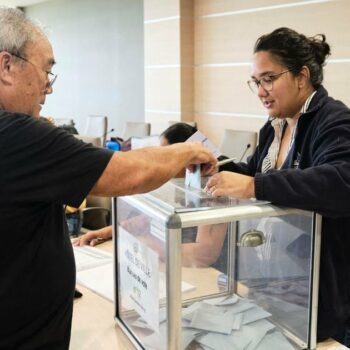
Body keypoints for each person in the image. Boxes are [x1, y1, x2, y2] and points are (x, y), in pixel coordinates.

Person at [0, 8, 216, 350]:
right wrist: (189, 152)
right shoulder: (14, 134)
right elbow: (129, 173)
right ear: (7, 66)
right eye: (47, 71)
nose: (48, 88)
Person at [204, 27, 350, 345]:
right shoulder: (276, 125)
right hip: (272, 285)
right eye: (256, 82)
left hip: (318, 296)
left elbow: (341, 182)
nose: (260, 91)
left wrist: (253, 185)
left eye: (269, 79)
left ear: (302, 76)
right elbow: (256, 172)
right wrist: (217, 170)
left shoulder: (334, 120)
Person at [74, 122, 227, 270]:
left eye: (167, 155)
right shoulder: (183, 183)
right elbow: (150, 220)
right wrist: (108, 232)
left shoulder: (214, 189)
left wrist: (152, 248)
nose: (162, 162)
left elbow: (204, 253)